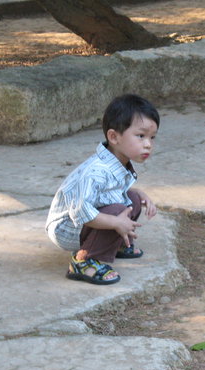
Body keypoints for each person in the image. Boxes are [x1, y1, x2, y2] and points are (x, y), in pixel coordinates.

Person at [46, 94, 160, 285]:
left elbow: (117, 192)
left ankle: (114, 244)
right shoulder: (96, 172)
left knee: (132, 199)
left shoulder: (117, 161)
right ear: (113, 136)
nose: (148, 144)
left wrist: (141, 195)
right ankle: (83, 261)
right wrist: (116, 222)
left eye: (152, 137)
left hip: (83, 221)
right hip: (66, 228)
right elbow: (81, 211)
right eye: (140, 136)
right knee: (116, 212)